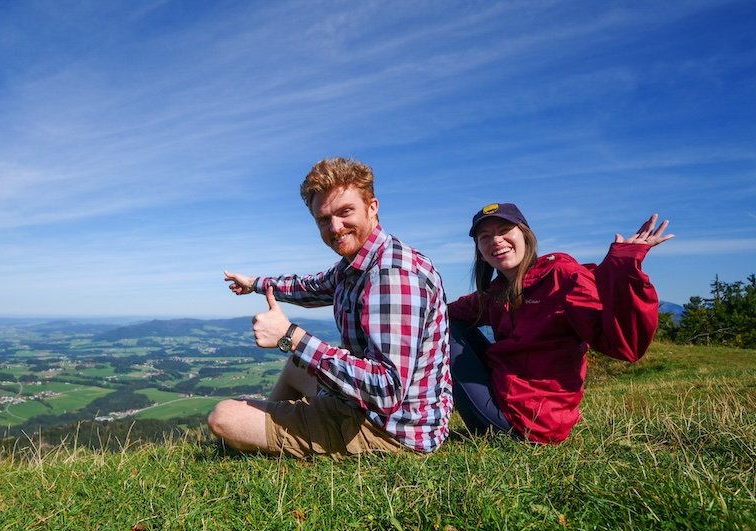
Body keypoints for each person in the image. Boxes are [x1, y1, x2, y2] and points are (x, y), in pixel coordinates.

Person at [209, 157, 452, 458]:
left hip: (391, 429)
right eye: (324, 219)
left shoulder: (392, 275)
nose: (335, 228)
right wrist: (255, 284)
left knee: (223, 417)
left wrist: (291, 337)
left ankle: (270, 437)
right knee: (295, 368)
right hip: (372, 408)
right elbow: (310, 286)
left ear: (372, 207)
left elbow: (386, 391)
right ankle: (273, 435)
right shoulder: (355, 266)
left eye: (345, 212)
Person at [448, 202, 673, 443]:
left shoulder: (561, 276)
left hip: (526, 422)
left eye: (504, 230)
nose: (496, 240)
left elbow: (625, 345)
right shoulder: (497, 292)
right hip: (507, 396)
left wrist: (624, 266)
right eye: (485, 236)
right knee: (442, 320)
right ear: (479, 250)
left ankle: (416, 416)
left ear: (525, 235)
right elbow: (446, 310)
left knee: (442, 330)